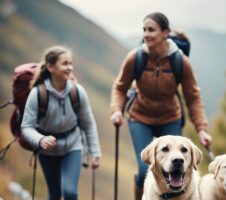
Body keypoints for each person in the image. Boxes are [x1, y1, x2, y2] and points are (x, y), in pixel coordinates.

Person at [110, 12, 212, 200]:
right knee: (143, 171)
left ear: (165, 33)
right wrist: (117, 110)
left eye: (151, 30)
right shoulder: (136, 57)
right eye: (144, 30)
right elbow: (120, 87)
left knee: (176, 168)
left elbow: (193, 97)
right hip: (140, 116)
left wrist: (202, 130)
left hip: (170, 117)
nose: (146, 34)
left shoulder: (180, 61)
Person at [21, 45, 101, 200]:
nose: (70, 68)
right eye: (65, 64)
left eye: (70, 63)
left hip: (73, 145)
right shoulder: (37, 94)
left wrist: (95, 152)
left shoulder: (77, 92)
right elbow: (27, 127)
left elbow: (88, 124)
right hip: (46, 151)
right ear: (50, 67)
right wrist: (41, 140)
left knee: (70, 192)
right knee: (55, 194)